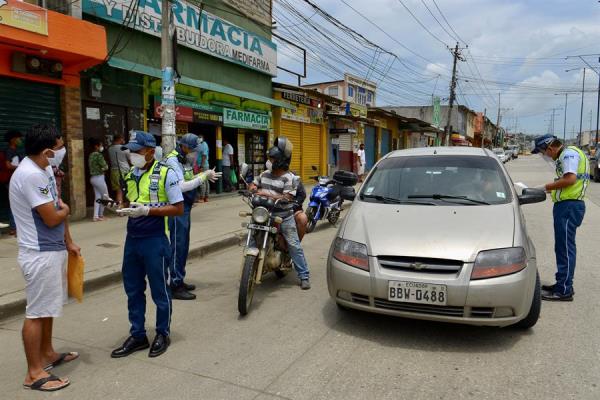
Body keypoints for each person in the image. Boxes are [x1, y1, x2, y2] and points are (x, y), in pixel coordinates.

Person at [9, 124, 81, 392]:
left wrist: (69, 241)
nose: (63, 151)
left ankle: (48, 354)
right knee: (37, 312)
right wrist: (67, 211)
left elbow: (56, 204)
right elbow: (53, 215)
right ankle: (34, 373)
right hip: (39, 253)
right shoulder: (30, 175)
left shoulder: (45, 169)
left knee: (48, 307)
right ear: (48, 151)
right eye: (60, 147)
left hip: (53, 249)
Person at [111, 131, 184, 359]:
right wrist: (122, 208)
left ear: (151, 152)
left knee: (160, 291)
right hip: (132, 240)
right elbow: (135, 203)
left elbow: (178, 208)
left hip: (155, 240)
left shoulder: (166, 174)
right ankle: (138, 335)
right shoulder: (131, 174)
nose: (133, 155)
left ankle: (163, 332)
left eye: (137, 151)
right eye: (131, 151)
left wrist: (148, 211)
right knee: (133, 290)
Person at [532, 134, 589, 301]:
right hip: (568, 205)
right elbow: (566, 182)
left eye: (543, 152)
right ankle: (561, 283)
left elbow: (570, 179)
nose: (545, 156)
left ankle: (564, 290)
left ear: (550, 148)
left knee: (565, 248)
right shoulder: (569, 154)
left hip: (569, 207)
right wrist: (543, 190)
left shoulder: (568, 154)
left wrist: (545, 187)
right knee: (562, 247)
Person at [164, 133, 221, 300]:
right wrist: (203, 177)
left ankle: (179, 280)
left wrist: (205, 174)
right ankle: (175, 285)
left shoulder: (184, 159)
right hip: (176, 208)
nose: (196, 153)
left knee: (183, 246)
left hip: (185, 207)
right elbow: (180, 186)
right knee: (178, 245)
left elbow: (188, 179)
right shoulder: (172, 160)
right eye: (194, 150)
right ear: (185, 147)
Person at [248, 137, 311, 289]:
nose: (269, 161)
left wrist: (266, 194)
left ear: (281, 161)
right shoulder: (264, 174)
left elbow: (287, 197)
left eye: (273, 159)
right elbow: (253, 185)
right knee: (251, 238)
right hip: (264, 213)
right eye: (269, 158)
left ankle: (304, 276)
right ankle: (249, 268)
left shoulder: (289, 178)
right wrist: (252, 189)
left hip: (283, 216)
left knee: (294, 245)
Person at [5, 129, 25, 234]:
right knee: (14, 203)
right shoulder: (9, 150)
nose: (20, 140)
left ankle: (16, 227)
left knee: (18, 203)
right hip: (10, 181)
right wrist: (19, 168)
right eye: (18, 138)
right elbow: (8, 165)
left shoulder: (16, 150)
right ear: (13, 139)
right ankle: (13, 228)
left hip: (17, 180)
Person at [88, 138, 109, 222]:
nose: (101, 147)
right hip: (99, 178)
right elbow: (105, 166)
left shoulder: (91, 155)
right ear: (96, 146)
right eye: (100, 145)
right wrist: (104, 167)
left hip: (93, 178)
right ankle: (100, 215)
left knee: (98, 197)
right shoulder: (98, 155)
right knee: (105, 197)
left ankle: (95, 216)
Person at [108, 134, 130, 206]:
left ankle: (120, 210)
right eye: (123, 139)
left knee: (119, 191)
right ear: (120, 139)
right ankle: (129, 207)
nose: (123, 140)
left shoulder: (110, 149)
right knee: (129, 189)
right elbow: (130, 159)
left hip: (114, 171)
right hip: (124, 171)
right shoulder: (124, 148)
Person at [195, 135, 210, 202]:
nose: (199, 139)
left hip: (203, 165)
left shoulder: (204, 145)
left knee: (202, 181)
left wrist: (201, 166)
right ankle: (206, 197)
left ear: (202, 138)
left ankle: (202, 197)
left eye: (200, 137)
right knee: (206, 181)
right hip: (203, 165)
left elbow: (204, 156)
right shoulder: (200, 145)